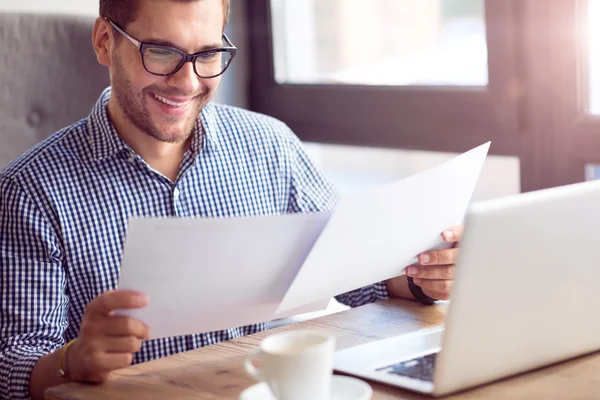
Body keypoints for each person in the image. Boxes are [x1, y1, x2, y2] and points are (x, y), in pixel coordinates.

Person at [0, 0, 462, 399]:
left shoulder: (270, 147)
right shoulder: (30, 192)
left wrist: (424, 275)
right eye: (161, 52)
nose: (187, 81)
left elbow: (356, 270)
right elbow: (14, 366)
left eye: (208, 54)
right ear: (104, 41)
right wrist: (73, 360)